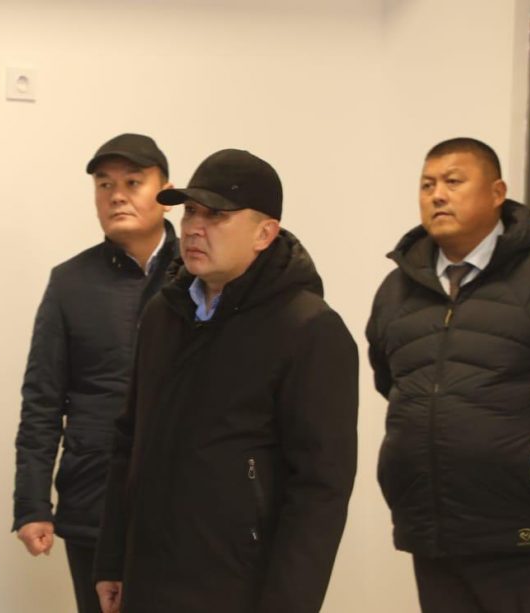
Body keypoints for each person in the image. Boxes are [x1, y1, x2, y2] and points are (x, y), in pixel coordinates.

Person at [93, 149, 358, 613]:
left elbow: (320, 490)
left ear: (264, 233)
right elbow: (129, 440)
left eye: (216, 215)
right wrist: (112, 559)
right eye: (190, 212)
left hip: (237, 584)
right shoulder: (163, 313)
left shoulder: (309, 329)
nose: (195, 228)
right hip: (148, 577)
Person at [367, 137, 530, 612]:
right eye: (427, 185)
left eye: (453, 181)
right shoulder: (398, 289)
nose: (438, 195)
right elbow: (392, 381)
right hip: (434, 530)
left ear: (497, 193)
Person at [13, 133, 178, 613]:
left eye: (133, 182)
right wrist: (32, 504)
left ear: (167, 193)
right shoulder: (70, 282)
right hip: (95, 496)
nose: (117, 196)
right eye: (105, 185)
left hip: (183, 500)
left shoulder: (199, 274)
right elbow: (42, 400)